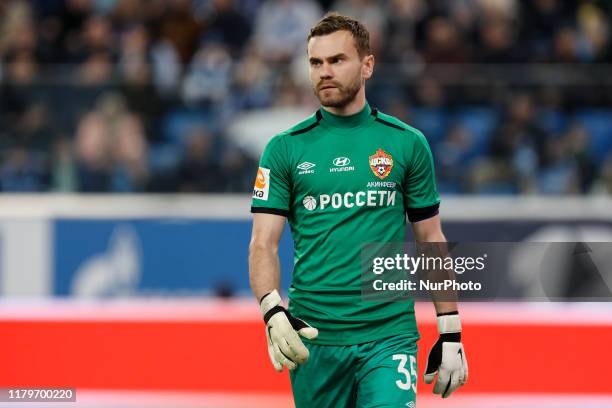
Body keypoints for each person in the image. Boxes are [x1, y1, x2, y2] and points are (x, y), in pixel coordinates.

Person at [249, 13, 468, 407]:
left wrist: (450, 331)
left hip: (389, 336)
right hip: (314, 338)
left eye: (337, 60)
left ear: (367, 65)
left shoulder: (407, 144)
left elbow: (431, 238)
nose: (324, 72)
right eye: (316, 63)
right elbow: (262, 243)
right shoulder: (283, 149)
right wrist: (271, 310)